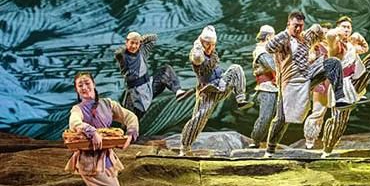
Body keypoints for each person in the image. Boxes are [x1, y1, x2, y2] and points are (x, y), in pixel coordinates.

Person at [264, 11, 360, 157]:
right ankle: (270, 150)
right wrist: (284, 35)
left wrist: (330, 32)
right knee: (282, 118)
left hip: (309, 74)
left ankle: (340, 98)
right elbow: (269, 48)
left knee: (333, 63)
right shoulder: (284, 38)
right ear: (289, 24)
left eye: (301, 26)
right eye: (295, 26)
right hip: (290, 81)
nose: (298, 29)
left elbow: (322, 35)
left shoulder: (305, 37)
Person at [65, 72, 138, 186]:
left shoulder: (107, 104)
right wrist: (91, 131)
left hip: (106, 159)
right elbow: (74, 123)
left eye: (87, 83)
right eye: (80, 85)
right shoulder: (78, 109)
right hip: (89, 160)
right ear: (77, 90)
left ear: (94, 84)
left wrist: (130, 134)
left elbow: (130, 116)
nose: (84, 87)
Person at [320, 15, 370, 156]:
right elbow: (330, 35)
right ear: (338, 27)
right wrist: (338, 31)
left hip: (356, 81)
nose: (346, 29)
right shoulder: (334, 45)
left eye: (348, 27)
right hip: (341, 88)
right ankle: (327, 149)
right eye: (343, 27)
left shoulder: (351, 45)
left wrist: (359, 38)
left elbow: (365, 48)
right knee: (339, 123)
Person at [179, 25, 253, 156]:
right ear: (202, 42)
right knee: (199, 118)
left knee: (236, 68)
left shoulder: (213, 54)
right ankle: (185, 147)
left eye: (212, 44)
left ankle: (240, 100)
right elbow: (197, 58)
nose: (210, 47)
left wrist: (223, 81)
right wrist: (198, 44)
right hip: (207, 92)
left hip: (220, 86)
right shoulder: (197, 54)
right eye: (207, 44)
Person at [114, 32, 187, 120]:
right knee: (131, 117)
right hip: (135, 93)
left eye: (136, 43)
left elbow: (153, 38)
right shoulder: (123, 56)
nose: (134, 46)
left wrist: (140, 40)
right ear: (127, 42)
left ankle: (178, 91)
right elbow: (118, 53)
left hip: (149, 87)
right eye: (132, 43)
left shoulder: (142, 51)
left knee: (166, 70)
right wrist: (132, 42)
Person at [250, 25, 278, 148]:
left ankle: (271, 142)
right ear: (268, 37)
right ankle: (255, 140)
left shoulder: (270, 51)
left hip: (277, 86)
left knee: (277, 117)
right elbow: (273, 66)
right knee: (265, 116)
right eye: (273, 36)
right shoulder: (261, 51)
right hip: (267, 87)